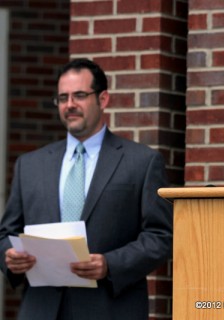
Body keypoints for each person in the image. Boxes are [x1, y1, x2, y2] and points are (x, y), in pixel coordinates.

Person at [0, 58, 173, 319]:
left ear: (103, 99)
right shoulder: (30, 165)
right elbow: (6, 233)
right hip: (41, 310)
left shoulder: (142, 162)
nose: (70, 105)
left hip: (110, 308)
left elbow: (160, 236)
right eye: (62, 97)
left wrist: (110, 265)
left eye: (79, 95)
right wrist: (9, 257)